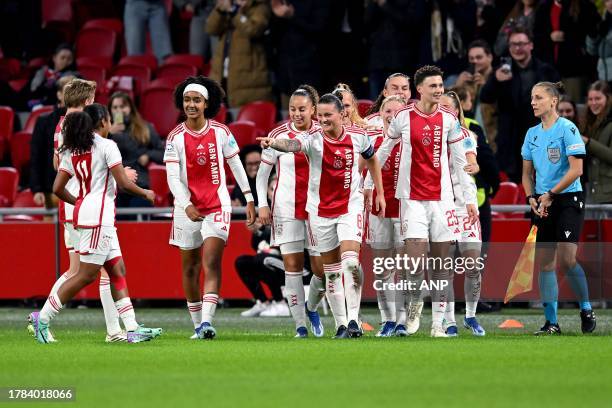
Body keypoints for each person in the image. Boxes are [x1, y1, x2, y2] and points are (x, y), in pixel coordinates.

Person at [258, 93, 386, 339]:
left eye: (329, 115)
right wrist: (274, 143)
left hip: (350, 207)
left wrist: (378, 192)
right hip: (319, 212)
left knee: (350, 262)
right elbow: (293, 145)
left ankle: (352, 321)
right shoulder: (312, 139)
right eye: (321, 116)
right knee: (331, 271)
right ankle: (340, 325)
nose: (324, 120)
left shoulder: (359, 137)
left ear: (342, 114)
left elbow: (372, 159)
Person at [30, 109, 162, 344]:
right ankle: (44, 317)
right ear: (103, 121)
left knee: (116, 269)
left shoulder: (72, 149)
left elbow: (58, 188)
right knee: (85, 275)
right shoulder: (107, 146)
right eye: (109, 119)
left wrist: (79, 201)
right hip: (99, 217)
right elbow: (123, 182)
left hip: (88, 215)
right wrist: (146, 192)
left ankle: (131, 327)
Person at [365, 65, 478, 338]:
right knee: (414, 263)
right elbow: (383, 150)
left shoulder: (450, 119)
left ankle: (439, 324)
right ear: (420, 90)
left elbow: (461, 162)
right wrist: (371, 186)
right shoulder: (403, 117)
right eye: (433, 86)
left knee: (441, 264)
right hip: (411, 200)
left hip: (442, 201)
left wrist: (470, 199)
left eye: (441, 85)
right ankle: (414, 311)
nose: (439, 90)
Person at [164, 76, 256, 340]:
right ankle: (196, 324)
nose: (191, 105)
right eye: (187, 100)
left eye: (196, 100)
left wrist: (249, 197)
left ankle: (206, 323)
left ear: (206, 104)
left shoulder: (221, 132)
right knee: (190, 268)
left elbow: (236, 165)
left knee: (211, 261)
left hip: (217, 204)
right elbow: (172, 177)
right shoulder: (175, 137)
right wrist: (187, 205)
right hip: (186, 208)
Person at [521, 81, 596, 335]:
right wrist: (531, 196)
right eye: (532, 97)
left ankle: (586, 307)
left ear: (553, 101)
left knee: (567, 258)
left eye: (538, 97)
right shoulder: (532, 133)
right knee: (544, 263)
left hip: (567, 198)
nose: (533, 102)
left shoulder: (568, 128)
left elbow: (577, 170)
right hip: (543, 200)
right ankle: (551, 322)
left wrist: (551, 194)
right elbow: (526, 174)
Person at [256, 85, 326, 338]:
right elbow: (263, 174)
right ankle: (300, 326)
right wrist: (262, 204)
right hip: (286, 208)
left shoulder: (322, 133)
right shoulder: (276, 134)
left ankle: (312, 307)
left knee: (322, 271)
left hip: (318, 209)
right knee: (292, 267)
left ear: (313, 110)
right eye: (292, 109)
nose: (296, 113)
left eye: (302, 109)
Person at [480, 26, 560, 182]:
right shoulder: (501, 72)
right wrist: (495, 80)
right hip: (510, 142)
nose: (517, 48)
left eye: (522, 44)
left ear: (531, 45)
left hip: (540, 137)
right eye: (513, 44)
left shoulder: (546, 71)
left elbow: (557, 101)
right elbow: (485, 97)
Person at [439, 90, 486, 336]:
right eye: (442, 107)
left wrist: (475, 165)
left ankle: (470, 315)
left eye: (450, 107)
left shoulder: (467, 135)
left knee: (473, 263)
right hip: (443, 206)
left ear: (457, 111)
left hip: (466, 205)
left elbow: (471, 161)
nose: (446, 111)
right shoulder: (430, 137)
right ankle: (449, 321)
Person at [362, 95, 405, 337]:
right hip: (378, 210)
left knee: (405, 266)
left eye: (396, 111)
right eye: (387, 110)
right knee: (382, 267)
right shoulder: (373, 141)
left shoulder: (410, 141)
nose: (391, 115)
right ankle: (387, 319)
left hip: (405, 208)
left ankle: (402, 319)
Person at [206, 0, 273, 107]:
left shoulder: (260, 6)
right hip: (222, 77)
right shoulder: (228, 5)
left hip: (248, 81)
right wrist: (220, 10)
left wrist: (234, 12)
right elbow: (211, 29)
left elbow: (253, 29)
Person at [533, 0, 600, 102]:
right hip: (548, 71)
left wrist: (567, 36)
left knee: (573, 107)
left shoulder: (585, 6)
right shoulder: (543, 7)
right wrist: (549, 37)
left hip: (575, 71)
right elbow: (536, 37)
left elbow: (592, 35)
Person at [108, 92, 165, 209]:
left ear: (130, 108)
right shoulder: (105, 132)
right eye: (115, 107)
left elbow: (163, 153)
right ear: (110, 111)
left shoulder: (145, 128)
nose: (119, 110)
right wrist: (109, 133)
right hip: (115, 189)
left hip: (140, 185)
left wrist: (148, 155)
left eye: (122, 106)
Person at [269, 0, 330, 104]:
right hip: (286, 74)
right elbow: (273, 37)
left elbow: (320, 29)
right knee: (287, 115)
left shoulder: (319, 3)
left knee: (311, 114)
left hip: (310, 71)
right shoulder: (283, 2)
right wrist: (276, 15)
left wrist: (293, 16)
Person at [364, 0, 426, 100]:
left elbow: (413, 22)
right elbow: (366, 23)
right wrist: (374, 5)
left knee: (399, 105)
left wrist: (384, 5)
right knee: (375, 106)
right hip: (377, 61)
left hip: (400, 61)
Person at [30, 75, 73, 212]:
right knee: (51, 233)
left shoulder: (87, 121)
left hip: (79, 190)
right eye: (68, 90)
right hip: (51, 191)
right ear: (59, 94)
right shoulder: (44, 122)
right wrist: (37, 188)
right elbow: (36, 156)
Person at [452, 40, 497, 148]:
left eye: (479, 57)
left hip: (494, 137)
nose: (474, 61)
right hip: (472, 138)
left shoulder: (498, 78)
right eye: (471, 58)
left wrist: (487, 87)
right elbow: (449, 106)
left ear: (490, 57)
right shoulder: (466, 80)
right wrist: (457, 85)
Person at [582, 80, 612, 204]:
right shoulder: (587, 124)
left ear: (608, 99)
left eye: (598, 98)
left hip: (609, 194)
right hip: (592, 192)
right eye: (590, 99)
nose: (593, 103)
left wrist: (588, 142)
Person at [26, 43, 77, 109]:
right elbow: (33, 90)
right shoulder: (42, 72)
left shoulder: (74, 76)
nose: (65, 61)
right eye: (62, 57)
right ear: (54, 58)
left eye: (69, 59)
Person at [586, 0, 612, 83]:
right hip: (604, 76)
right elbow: (592, 51)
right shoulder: (603, 19)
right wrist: (593, 36)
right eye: (607, 0)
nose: (611, 3)